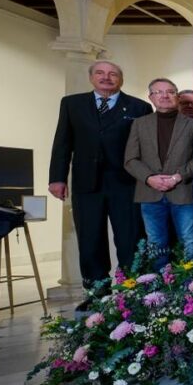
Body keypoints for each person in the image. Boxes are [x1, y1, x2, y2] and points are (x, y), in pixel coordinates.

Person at [49, 60, 152, 309]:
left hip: (126, 184)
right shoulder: (72, 104)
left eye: (113, 74)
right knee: (90, 238)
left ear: (121, 79)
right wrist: (57, 178)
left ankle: (131, 290)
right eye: (100, 73)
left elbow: (146, 148)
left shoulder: (139, 107)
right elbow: (63, 142)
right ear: (91, 77)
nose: (106, 77)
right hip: (86, 183)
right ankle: (97, 292)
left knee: (130, 238)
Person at [123, 78, 193, 269]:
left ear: (177, 97)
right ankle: (159, 285)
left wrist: (177, 177)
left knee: (189, 242)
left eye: (170, 92)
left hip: (183, 192)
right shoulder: (140, 124)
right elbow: (130, 159)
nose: (165, 96)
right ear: (151, 97)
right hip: (150, 193)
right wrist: (149, 178)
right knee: (156, 243)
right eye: (158, 92)